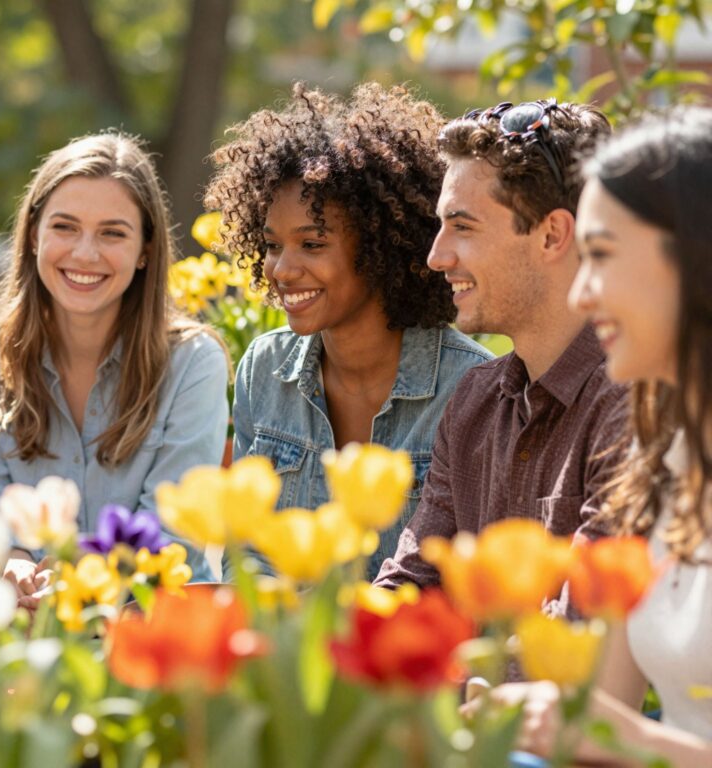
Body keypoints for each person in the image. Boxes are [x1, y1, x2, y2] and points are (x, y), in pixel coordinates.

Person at [484, 107, 712, 767]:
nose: (581, 295)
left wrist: (633, 742)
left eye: (602, 256)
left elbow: (620, 736)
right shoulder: (659, 459)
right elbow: (599, 719)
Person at [204, 83, 492, 577]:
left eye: (312, 244)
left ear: (385, 246)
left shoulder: (469, 388)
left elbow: (466, 578)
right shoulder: (264, 370)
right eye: (272, 245)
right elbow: (247, 552)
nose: (282, 269)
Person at [0, 132, 229, 597]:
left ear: (145, 250)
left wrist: (78, 579)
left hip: (154, 620)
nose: (84, 253)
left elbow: (173, 536)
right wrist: (14, 566)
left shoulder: (193, 364)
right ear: (34, 235)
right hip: (29, 626)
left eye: (112, 233)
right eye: (65, 227)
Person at [374, 99, 624, 594]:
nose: (436, 256)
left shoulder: (634, 404)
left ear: (552, 235)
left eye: (462, 226)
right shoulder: (475, 402)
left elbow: (588, 617)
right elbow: (412, 582)